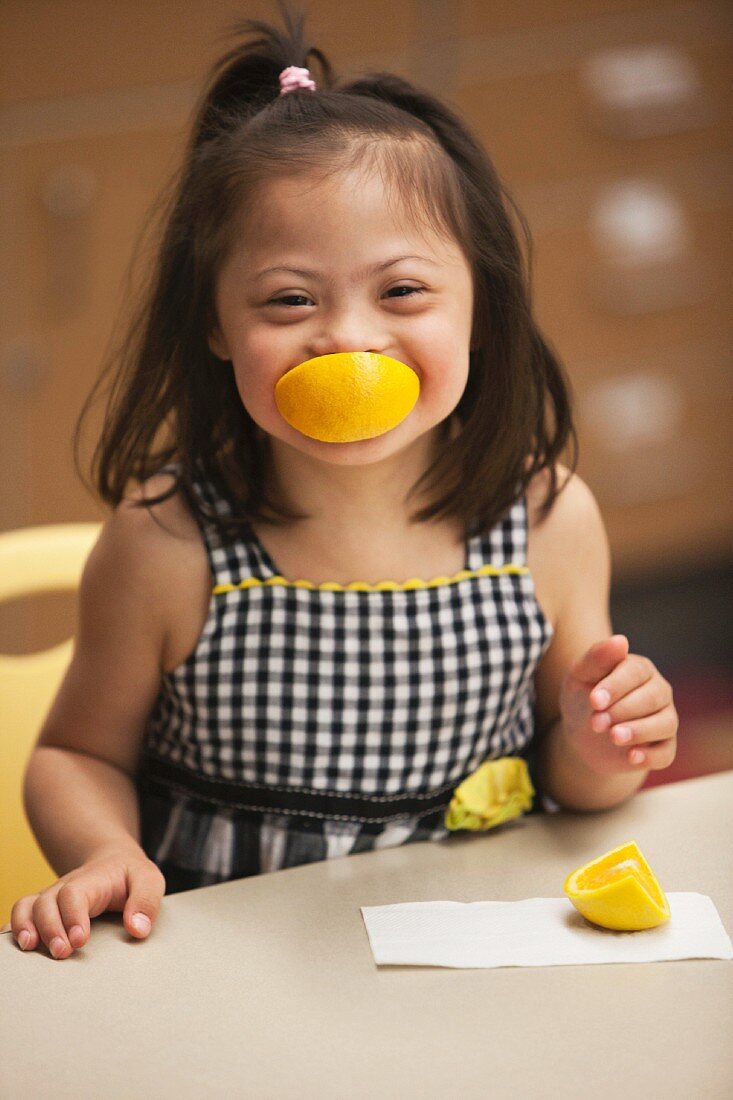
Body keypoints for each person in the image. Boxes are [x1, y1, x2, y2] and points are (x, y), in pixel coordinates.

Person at [5, 2, 677, 960]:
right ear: (214, 326)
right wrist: (106, 851)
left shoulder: (547, 518)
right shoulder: (167, 541)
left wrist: (602, 746)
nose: (349, 340)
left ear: (480, 310)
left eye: (401, 291)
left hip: (462, 957)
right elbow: (76, 755)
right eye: (289, 299)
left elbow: (573, 786)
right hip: (230, 975)